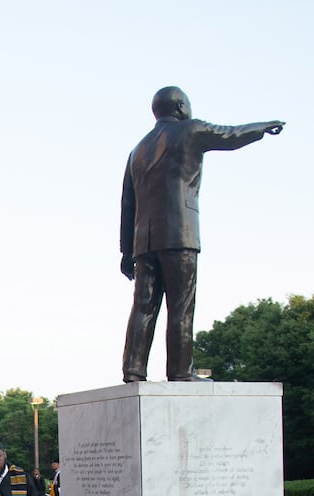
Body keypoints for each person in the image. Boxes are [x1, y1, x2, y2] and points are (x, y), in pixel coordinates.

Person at [119, 86, 283, 382]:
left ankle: (133, 370)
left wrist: (126, 251)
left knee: (143, 307)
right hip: (179, 233)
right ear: (180, 106)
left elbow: (127, 205)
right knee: (181, 306)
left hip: (144, 241)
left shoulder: (137, 151)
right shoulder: (190, 130)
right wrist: (263, 127)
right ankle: (181, 372)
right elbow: (231, 135)